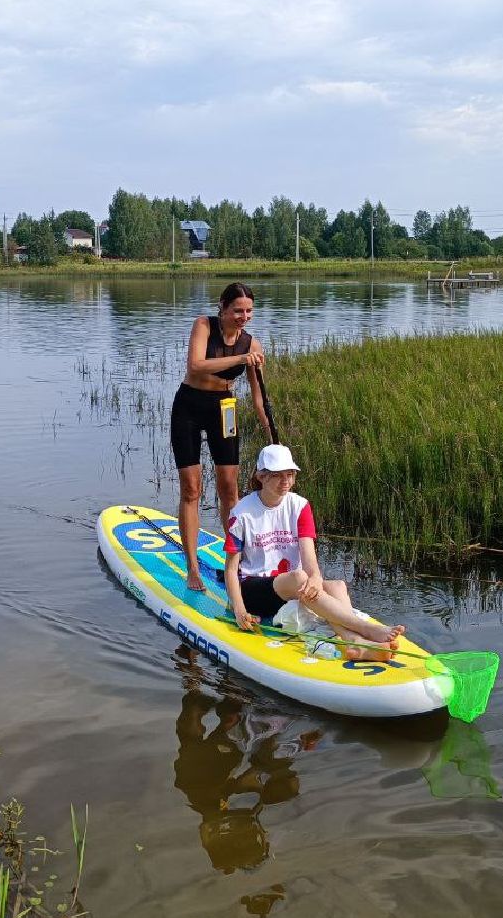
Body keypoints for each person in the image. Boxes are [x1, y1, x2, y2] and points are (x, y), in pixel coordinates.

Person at [223, 444, 404, 662]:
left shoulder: (300, 506)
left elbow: (310, 560)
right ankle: (365, 629)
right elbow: (231, 570)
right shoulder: (241, 513)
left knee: (336, 585)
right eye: (278, 475)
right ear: (261, 476)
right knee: (300, 577)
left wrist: (316, 579)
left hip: (293, 587)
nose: (286, 482)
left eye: (290, 474)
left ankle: (353, 642)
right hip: (254, 589)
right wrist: (240, 610)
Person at [171, 282, 270, 591]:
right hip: (189, 405)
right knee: (192, 490)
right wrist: (239, 361)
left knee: (229, 490)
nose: (244, 316)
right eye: (238, 310)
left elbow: (258, 398)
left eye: (249, 311)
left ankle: (237, 565)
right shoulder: (204, 325)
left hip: (223, 410)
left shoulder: (252, 345)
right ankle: (192, 569)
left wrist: (271, 437)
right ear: (223, 307)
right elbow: (196, 365)